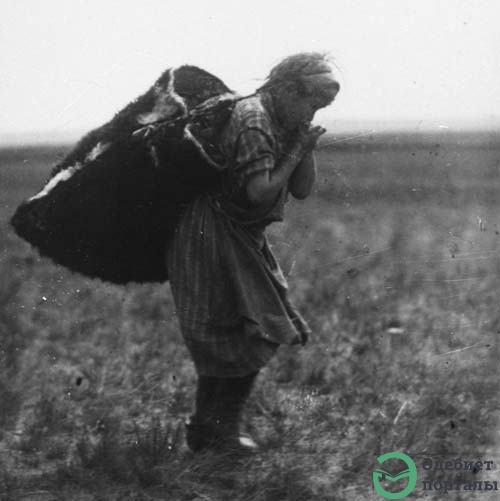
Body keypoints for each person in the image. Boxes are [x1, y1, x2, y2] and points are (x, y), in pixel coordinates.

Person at [166, 52, 340, 453]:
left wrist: (303, 142)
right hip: (209, 230)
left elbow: (301, 189)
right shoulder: (254, 119)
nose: (312, 111)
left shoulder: (281, 119)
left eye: (319, 107)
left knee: (244, 331)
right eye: (310, 102)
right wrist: (298, 148)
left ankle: (209, 430)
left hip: (238, 233)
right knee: (240, 332)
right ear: (287, 89)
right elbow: (259, 193)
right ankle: (216, 432)